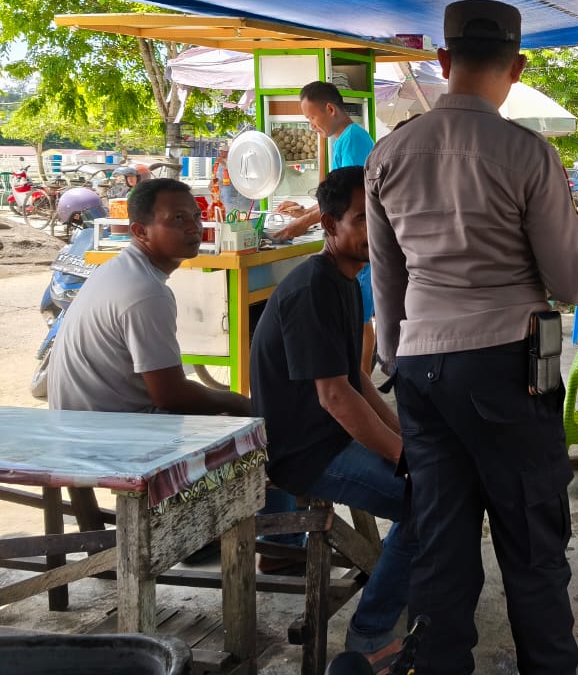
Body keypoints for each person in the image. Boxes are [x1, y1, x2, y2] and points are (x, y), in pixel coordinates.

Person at [366, 0, 578, 675]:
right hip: (508, 369)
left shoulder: (389, 153)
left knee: (441, 548)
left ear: (443, 61)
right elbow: (570, 281)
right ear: (518, 65)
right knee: (532, 546)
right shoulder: (528, 153)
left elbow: (387, 287)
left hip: (419, 371)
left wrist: (400, 362)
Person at [250, 166, 412, 669]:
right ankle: (369, 636)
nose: (376, 231)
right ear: (328, 225)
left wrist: (405, 438)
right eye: (364, 220)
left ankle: (400, 584)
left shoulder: (344, 281)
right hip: (305, 452)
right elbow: (336, 398)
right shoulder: (313, 289)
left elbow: (358, 378)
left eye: (383, 219)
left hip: (332, 436)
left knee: (438, 480)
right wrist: (405, 458)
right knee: (432, 501)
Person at [47, 178, 251, 416]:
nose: (194, 227)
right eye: (178, 218)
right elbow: (172, 397)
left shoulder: (122, 269)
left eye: (196, 217)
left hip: (87, 425)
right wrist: (239, 403)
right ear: (140, 231)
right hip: (106, 437)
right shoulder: (146, 292)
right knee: (238, 417)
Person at [277, 80, 377, 372]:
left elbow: (347, 198)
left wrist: (299, 225)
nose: (311, 126)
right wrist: (305, 212)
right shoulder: (341, 140)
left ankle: (362, 383)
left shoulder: (354, 139)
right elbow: (332, 197)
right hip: (347, 239)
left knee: (360, 318)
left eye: (312, 117)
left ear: (330, 109)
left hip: (358, 240)